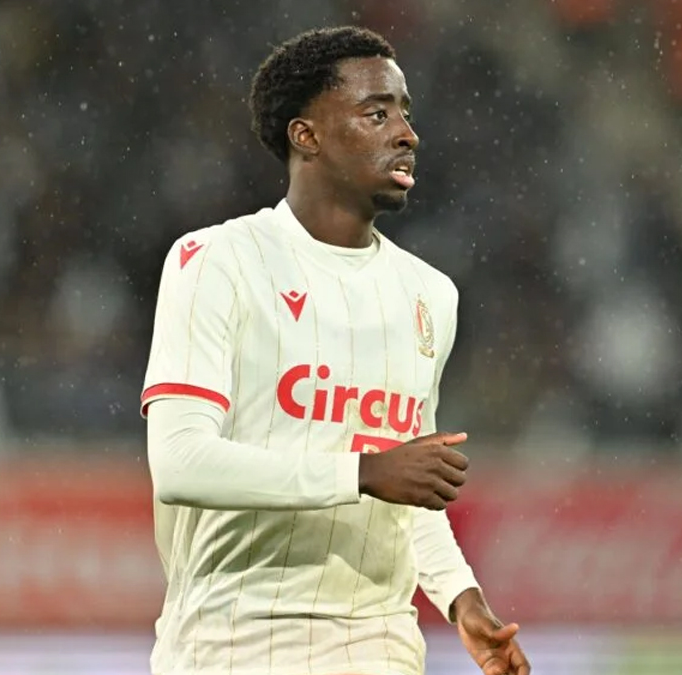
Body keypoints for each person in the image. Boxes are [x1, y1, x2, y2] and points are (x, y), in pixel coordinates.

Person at [139, 25, 530, 675]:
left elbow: (407, 485)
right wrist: (360, 473)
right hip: (234, 642)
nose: (407, 134)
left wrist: (462, 598)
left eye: (405, 113)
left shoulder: (429, 294)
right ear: (306, 136)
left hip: (378, 645)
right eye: (377, 114)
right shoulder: (216, 262)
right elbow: (181, 464)